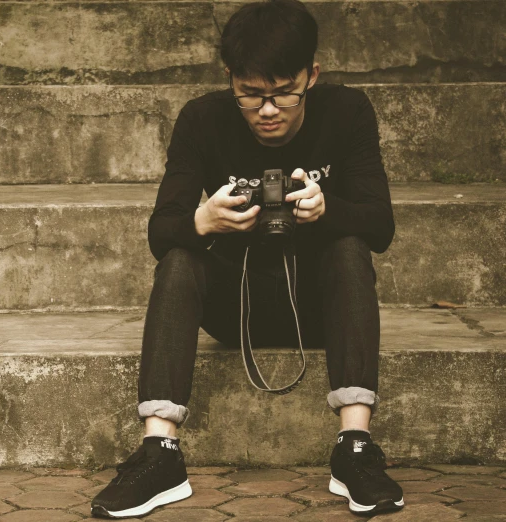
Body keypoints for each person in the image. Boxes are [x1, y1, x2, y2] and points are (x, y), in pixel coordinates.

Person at [91, 0, 405, 518]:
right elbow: (160, 229)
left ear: (313, 74)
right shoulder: (202, 119)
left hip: (320, 308)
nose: (267, 110)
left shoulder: (347, 111)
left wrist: (327, 210)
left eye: (284, 93)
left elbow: (381, 226)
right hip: (231, 306)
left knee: (349, 249)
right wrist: (204, 222)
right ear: (230, 80)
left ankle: (355, 450)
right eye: (250, 95)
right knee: (178, 258)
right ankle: (160, 453)